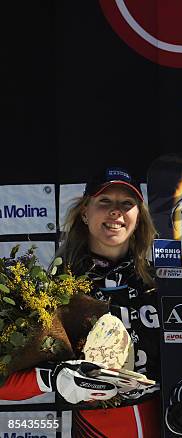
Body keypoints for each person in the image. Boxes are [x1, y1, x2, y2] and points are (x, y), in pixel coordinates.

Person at [0, 167, 161, 437]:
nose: (116, 211)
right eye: (105, 201)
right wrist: (53, 378)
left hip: (166, 424)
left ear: (138, 217)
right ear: (85, 213)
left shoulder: (163, 285)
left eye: (127, 203)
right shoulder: (57, 292)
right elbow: (5, 380)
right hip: (98, 427)